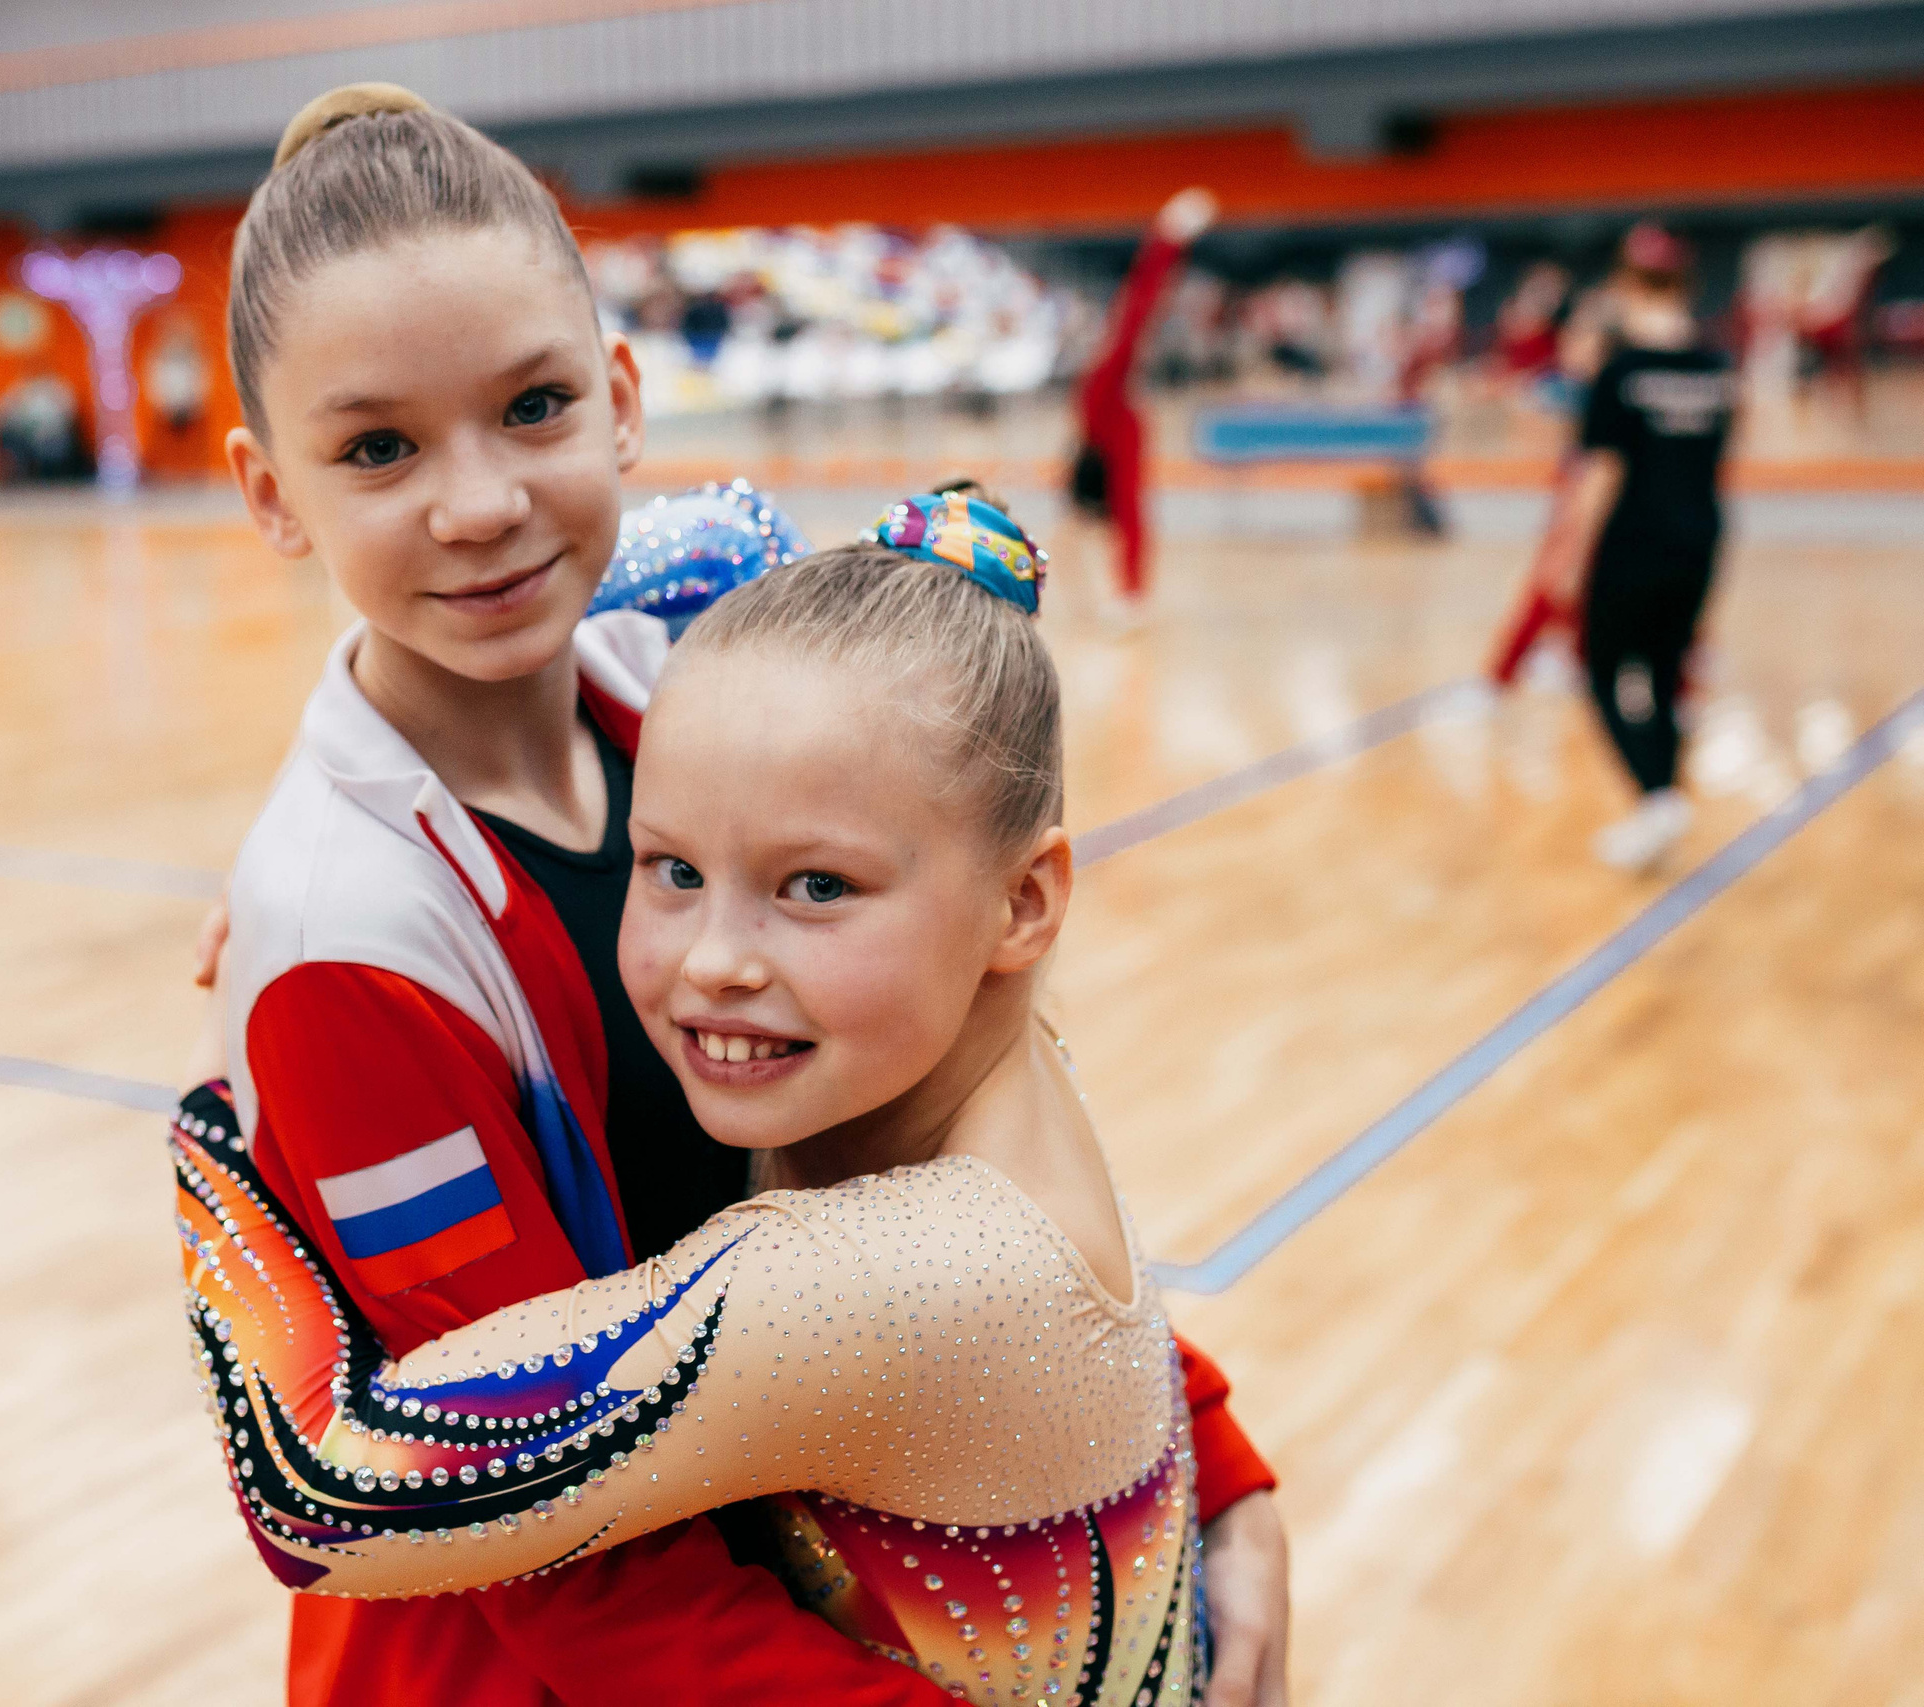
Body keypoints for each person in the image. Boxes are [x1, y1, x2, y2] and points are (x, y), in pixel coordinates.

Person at [191, 83, 1289, 1707]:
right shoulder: (342, 933)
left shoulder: (695, 681)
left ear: (622, 399)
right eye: (376, 446)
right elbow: (524, 1526)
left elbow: (954, 1134)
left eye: (535, 407)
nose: (480, 500)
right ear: (270, 490)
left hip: (792, 1578)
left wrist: (1208, 1457)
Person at [1518, 224, 1735, 871]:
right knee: (1667, 679)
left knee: (1604, 671)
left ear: (1624, 284)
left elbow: (1602, 473)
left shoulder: (1621, 369)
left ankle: (1657, 796)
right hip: (1700, 538)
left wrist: (1565, 558)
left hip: (1632, 540)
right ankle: (1661, 803)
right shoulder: (1715, 367)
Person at [1068, 188, 1216, 632]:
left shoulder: (1113, 367)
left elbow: (1143, 301)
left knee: (1122, 518)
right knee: (1118, 519)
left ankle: (1126, 595)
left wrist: (1169, 238)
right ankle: (1124, 594)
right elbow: (1141, 301)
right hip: (1105, 430)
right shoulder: (1110, 365)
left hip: (1111, 426)